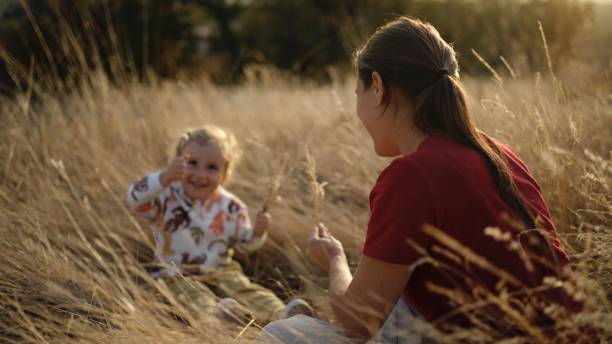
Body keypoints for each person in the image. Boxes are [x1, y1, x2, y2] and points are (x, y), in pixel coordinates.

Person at [261, 17, 577, 343]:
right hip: (571, 334)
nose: (357, 110)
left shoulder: (411, 176)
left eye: (359, 92)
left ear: (378, 86)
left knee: (276, 336)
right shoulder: (501, 153)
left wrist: (335, 261)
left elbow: (357, 323)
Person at [127, 125, 312, 325]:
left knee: (245, 289)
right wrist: (164, 177)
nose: (200, 174)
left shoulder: (232, 206)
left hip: (221, 269)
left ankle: (283, 315)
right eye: (192, 163)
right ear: (178, 163)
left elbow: (244, 243)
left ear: (225, 174)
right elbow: (134, 200)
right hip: (176, 272)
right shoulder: (165, 195)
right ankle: (216, 318)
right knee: (191, 295)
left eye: (212, 167)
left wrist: (257, 233)